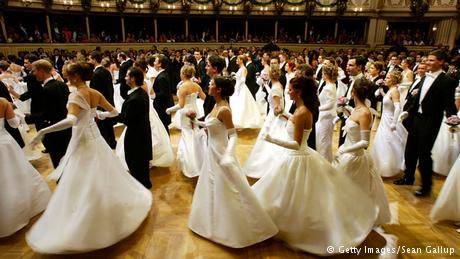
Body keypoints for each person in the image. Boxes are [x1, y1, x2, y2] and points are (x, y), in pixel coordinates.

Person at [26, 62, 152, 253]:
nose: (66, 78)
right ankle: (107, 213)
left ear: (76, 76)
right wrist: (99, 115)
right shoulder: (94, 93)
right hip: (96, 140)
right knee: (103, 175)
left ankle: (89, 221)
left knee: (83, 180)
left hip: (83, 142)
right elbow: (115, 112)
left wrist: (43, 130)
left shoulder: (76, 95)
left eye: (68, 75)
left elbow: (71, 120)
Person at [252, 76, 377, 255]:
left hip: (297, 156)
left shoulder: (302, 112)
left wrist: (271, 139)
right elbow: (298, 129)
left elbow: (296, 144)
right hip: (298, 156)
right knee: (286, 193)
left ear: (299, 92)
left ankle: (290, 226)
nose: (288, 91)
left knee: (290, 193)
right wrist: (287, 117)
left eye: (290, 89)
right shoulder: (301, 110)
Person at [188, 76, 278, 248]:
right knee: (213, 184)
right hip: (211, 152)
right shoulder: (216, 105)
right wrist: (196, 122)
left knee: (230, 187)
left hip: (221, 153)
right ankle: (211, 222)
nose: (209, 84)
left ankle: (241, 227)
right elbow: (212, 126)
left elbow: (233, 134)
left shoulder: (225, 110)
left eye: (212, 84)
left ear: (219, 89)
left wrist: (229, 154)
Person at [395, 50, 458, 197]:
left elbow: (449, 104)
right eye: (427, 60)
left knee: (424, 153)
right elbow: (417, 99)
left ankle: (426, 186)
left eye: (431, 60)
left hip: (431, 120)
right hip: (416, 118)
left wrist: (453, 119)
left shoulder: (447, 81)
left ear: (441, 62)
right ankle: (408, 177)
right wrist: (408, 112)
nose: (427, 63)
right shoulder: (424, 78)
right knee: (410, 149)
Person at [334, 78, 391, 225]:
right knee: (343, 188)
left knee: (352, 189)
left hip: (354, 157)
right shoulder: (358, 109)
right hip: (347, 153)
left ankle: (354, 218)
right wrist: (347, 111)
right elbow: (354, 123)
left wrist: (344, 150)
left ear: (353, 92)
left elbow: (365, 142)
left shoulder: (365, 112)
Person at [0, 97, 51, 238]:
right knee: (13, 173)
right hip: (4, 144)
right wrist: (15, 113)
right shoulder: (3, 102)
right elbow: (14, 124)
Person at [245, 64, 286, 178]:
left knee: (269, 141)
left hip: (274, 118)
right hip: (271, 116)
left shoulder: (276, 88)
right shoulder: (277, 85)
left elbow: (279, 108)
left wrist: (275, 113)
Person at [116, 67, 153, 189]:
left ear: (133, 78)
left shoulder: (135, 98)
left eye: (127, 76)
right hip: (141, 133)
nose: (125, 78)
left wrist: (111, 115)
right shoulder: (140, 93)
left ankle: (141, 190)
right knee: (141, 165)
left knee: (135, 163)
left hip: (136, 136)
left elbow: (127, 119)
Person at [166, 64, 206, 177]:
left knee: (187, 134)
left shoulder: (183, 87)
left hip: (186, 113)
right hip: (196, 111)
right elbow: (205, 98)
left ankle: (191, 162)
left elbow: (181, 105)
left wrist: (169, 109)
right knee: (196, 133)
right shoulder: (196, 86)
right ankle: (200, 158)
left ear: (183, 74)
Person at [29, 59, 71, 168]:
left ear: (41, 71)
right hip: (67, 128)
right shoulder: (62, 85)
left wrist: (27, 118)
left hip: (55, 130)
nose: (33, 74)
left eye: (34, 71)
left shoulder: (46, 89)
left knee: (58, 161)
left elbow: (47, 114)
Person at [371, 71, 407, 177]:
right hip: (384, 118)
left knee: (388, 142)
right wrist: (381, 91)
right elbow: (388, 101)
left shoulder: (395, 90)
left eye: (387, 78)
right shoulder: (390, 90)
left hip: (389, 119)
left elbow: (398, 107)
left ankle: (388, 167)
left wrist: (394, 122)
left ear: (393, 80)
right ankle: (381, 166)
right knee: (382, 141)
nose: (385, 79)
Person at [88, 50, 116, 149]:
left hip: (101, 104)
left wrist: (95, 106)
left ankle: (106, 146)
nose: (89, 61)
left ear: (95, 60)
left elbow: (96, 93)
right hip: (108, 101)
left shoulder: (96, 74)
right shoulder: (106, 71)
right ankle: (112, 142)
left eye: (90, 59)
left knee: (103, 127)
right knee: (109, 126)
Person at [229, 55, 262, 129]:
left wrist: (237, 80)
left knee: (242, 104)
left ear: (241, 60)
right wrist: (234, 75)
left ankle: (242, 122)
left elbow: (243, 79)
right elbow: (239, 77)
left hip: (240, 88)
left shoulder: (244, 68)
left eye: (238, 59)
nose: (236, 60)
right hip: (238, 87)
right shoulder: (241, 68)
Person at [315, 62, 337, 161]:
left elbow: (330, 104)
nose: (322, 75)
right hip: (323, 115)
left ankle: (324, 161)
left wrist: (318, 108)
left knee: (323, 140)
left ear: (326, 75)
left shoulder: (329, 87)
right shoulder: (329, 85)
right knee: (321, 139)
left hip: (326, 116)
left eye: (323, 73)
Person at [152, 54, 174, 134]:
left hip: (162, 106)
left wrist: (153, 95)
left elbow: (163, 93)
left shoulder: (162, 77)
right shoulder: (163, 74)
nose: (154, 63)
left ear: (160, 64)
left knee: (163, 128)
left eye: (155, 61)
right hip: (162, 105)